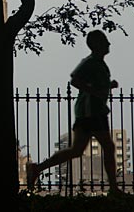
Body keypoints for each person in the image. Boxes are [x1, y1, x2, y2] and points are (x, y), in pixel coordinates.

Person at [27, 30, 123, 194]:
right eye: (105, 40)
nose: (109, 44)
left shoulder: (99, 63)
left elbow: (97, 86)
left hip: (95, 111)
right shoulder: (90, 62)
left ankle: (37, 168)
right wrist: (93, 91)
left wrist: (108, 86)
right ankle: (114, 188)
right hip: (90, 112)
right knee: (107, 146)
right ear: (97, 45)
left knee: (77, 150)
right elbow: (75, 79)